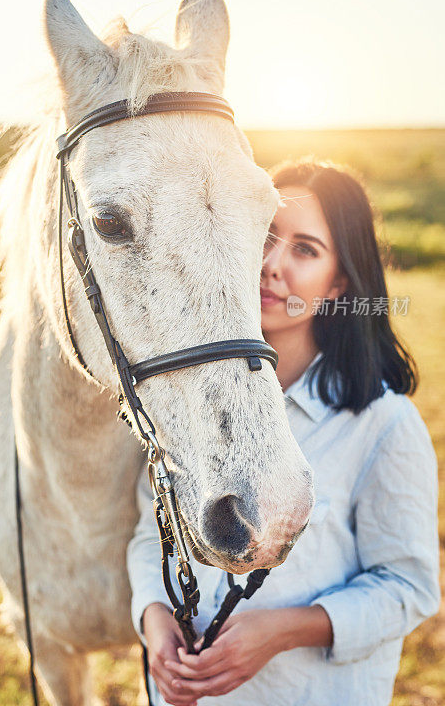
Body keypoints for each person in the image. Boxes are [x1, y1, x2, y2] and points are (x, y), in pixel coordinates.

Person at [127, 159, 440, 706]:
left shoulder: (384, 425)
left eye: (305, 249)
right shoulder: (185, 403)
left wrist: (279, 633)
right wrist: (154, 620)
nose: (271, 265)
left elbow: (409, 588)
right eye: (265, 236)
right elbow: (150, 537)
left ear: (340, 282)